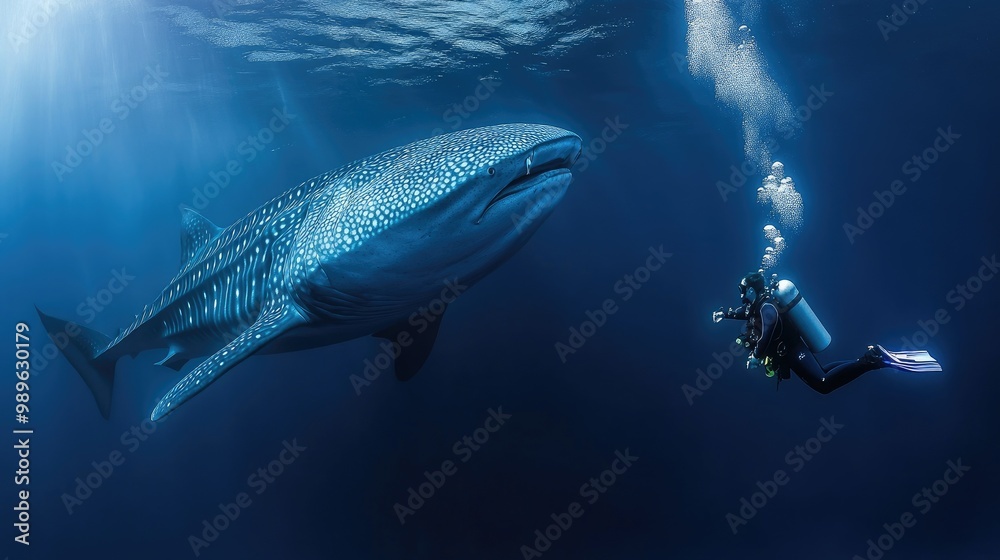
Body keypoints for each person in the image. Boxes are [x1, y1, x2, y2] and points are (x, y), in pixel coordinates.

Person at [712, 272, 942, 393]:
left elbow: (769, 327)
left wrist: (757, 355)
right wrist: (726, 314)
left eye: (743, 291)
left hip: (793, 350)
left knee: (823, 383)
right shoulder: (758, 306)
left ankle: (872, 360)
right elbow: (748, 314)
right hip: (790, 353)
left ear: (752, 290)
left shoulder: (767, 307)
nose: (741, 295)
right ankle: (870, 358)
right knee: (822, 372)